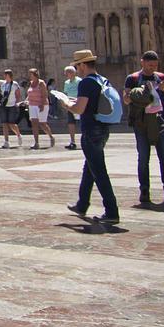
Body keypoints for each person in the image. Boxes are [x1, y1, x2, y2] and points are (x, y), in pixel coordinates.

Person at [64, 50, 120, 224]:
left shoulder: (86, 83)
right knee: (90, 168)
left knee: (99, 172)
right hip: (103, 129)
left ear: (82, 65)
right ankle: (82, 204)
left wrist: (66, 103)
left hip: (91, 130)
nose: (77, 69)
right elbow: (92, 102)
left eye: (77, 65)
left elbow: (79, 109)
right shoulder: (101, 80)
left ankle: (111, 211)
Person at [124, 51, 164, 208]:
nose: (152, 68)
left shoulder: (162, 78)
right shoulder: (133, 78)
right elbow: (126, 99)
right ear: (142, 62)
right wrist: (135, 94)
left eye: (155, 66)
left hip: (161, 123)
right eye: (149, 65)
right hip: (141, 124)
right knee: (143, 158)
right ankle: (144, 191)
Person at [23, 69, 56, 149]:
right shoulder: (31, 83)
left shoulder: (41, 83)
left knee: (42, 124)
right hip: (32, 105)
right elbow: (30, 93)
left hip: (41, 105)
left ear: (35, 75)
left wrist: (41, 104)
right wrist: (26, 100)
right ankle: (36, 143)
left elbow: (45, 94)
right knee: (34, 124)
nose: (30, 76)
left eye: (31, 74)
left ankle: (51, 137)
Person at [62, 66, 81, 150]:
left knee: (82, 122)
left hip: (78, 103)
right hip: (70, 104)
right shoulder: (66, 83)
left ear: (72, 73)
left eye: (67, 73)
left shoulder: (79, 81)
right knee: (71, 123)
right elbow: (65, 93)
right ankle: (72, 141)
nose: (66, 75)